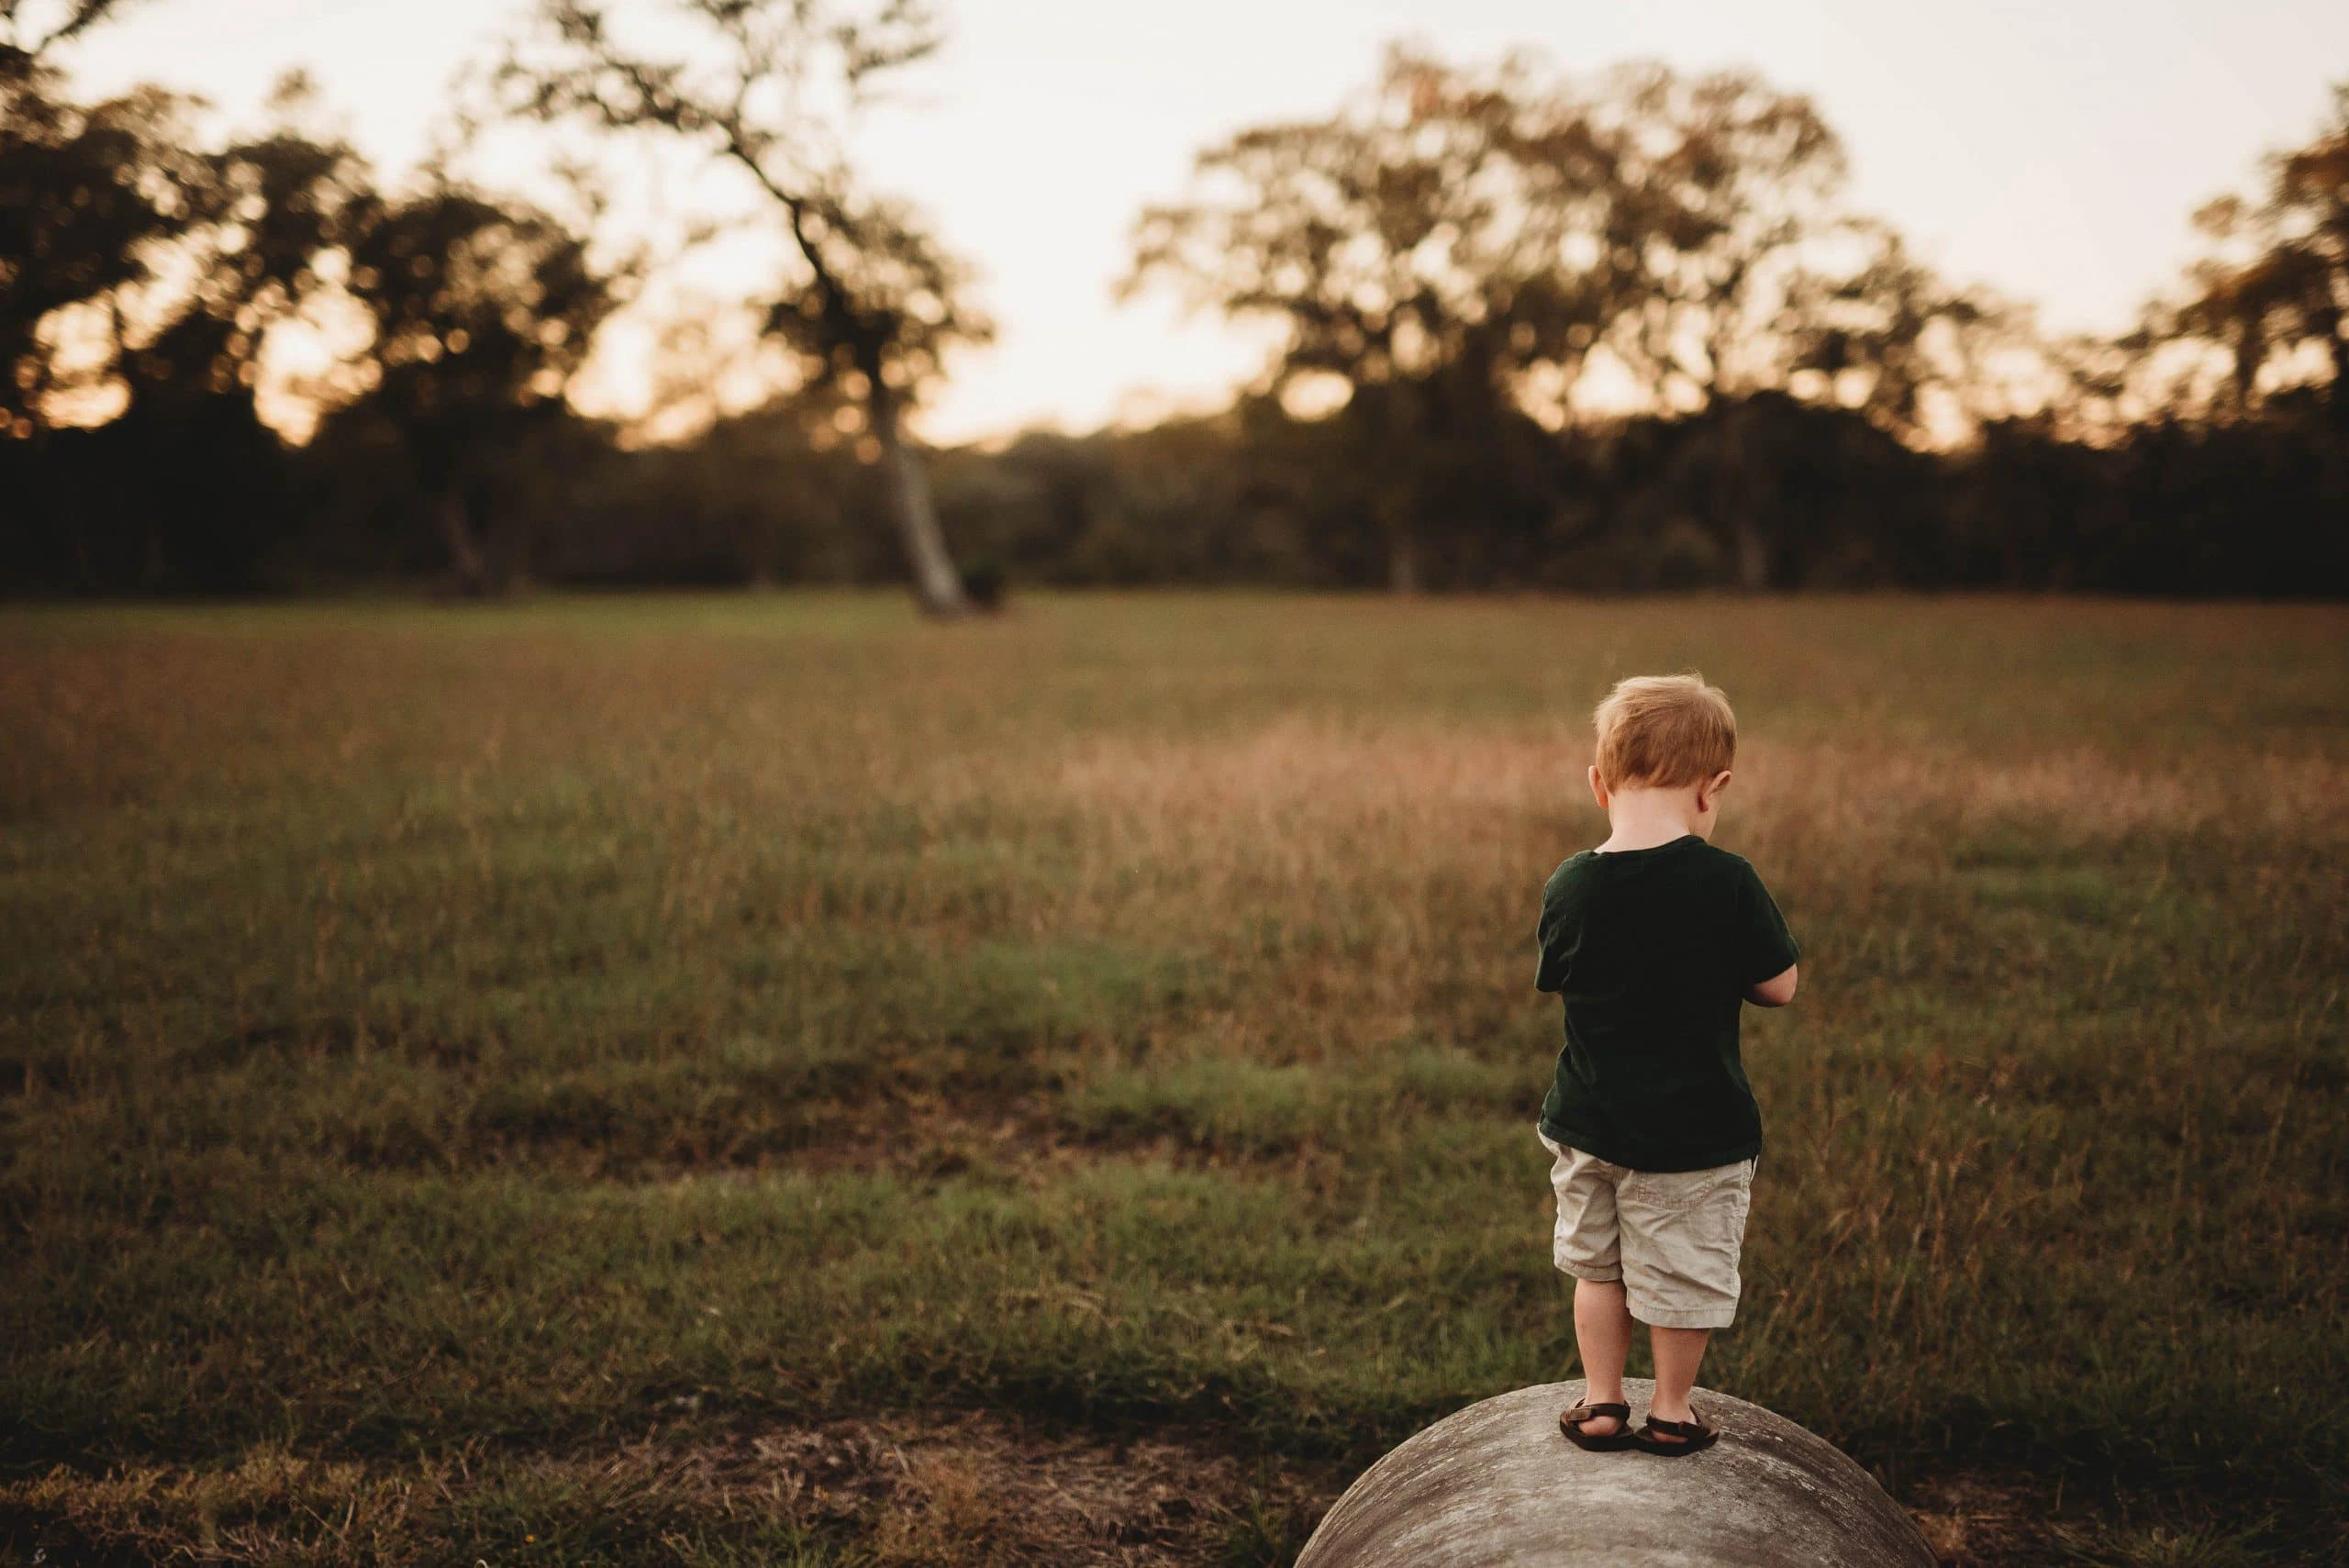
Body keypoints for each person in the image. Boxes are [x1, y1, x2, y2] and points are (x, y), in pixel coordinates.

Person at [1535, 673, 1799, 1456]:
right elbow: (1779, 987)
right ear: (1713, 789)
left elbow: (1560, 970)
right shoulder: (1728, 881)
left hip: (1588, 1124)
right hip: (1696, 1131)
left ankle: (1603, 1400)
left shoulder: (1572, 882)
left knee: (1599, 1267)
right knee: (1680, 1280)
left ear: (1598, 784)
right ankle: (1674, 1410)